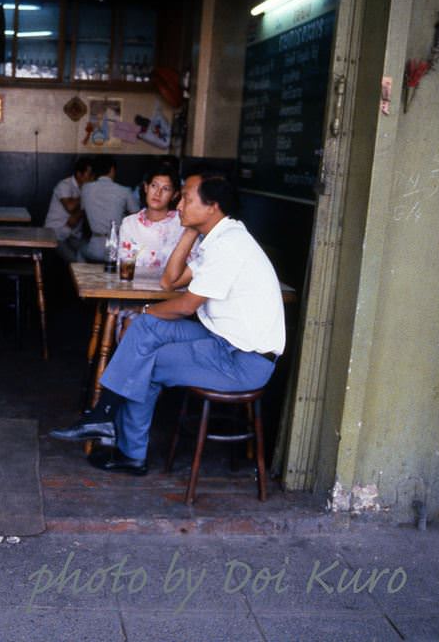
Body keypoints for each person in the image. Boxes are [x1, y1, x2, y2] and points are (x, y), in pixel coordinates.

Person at [49, 172, 285, 476]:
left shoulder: (230, 245)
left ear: (212, 206)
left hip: (242, 360)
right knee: (143, 327)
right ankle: (104, 413)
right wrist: (188, 233)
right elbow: (169, 281)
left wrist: (147, 307)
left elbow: (186, 305)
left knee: (145, 359)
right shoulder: (216, 237)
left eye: (186, 197)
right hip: (220, 338)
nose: (179, 203)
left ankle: (129, 453)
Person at [117, 162, 183, 270]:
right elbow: (123, 264)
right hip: (134, 285)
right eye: (154, 186)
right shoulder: (129, 223)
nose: (158, 193)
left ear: (174, 195)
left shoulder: (182, 224)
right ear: (146, 187)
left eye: (166, 189)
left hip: (170, 287)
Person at [79, 155, 140, 262]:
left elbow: (84, 212)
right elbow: (137, 217)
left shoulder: (85, 189)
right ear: (112, 170)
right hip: (117, 248)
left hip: (94, 248)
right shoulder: (124, 191)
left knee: (80, 253)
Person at [44, 157, 94, 262]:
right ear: (79, 174)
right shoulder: (64, 185)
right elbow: (70, 207)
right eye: (89, 175)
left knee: (91, 253)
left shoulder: (88, 188)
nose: (92, 179)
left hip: (73, 235)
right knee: (77, 261)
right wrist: (86, 196)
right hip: (55, 234)